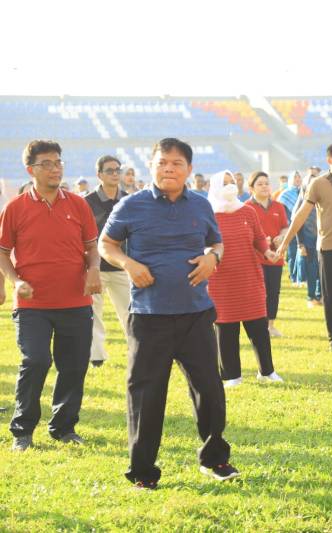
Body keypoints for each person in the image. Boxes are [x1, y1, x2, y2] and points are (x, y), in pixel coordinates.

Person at [99, 138, 238, 489]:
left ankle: (215, 459)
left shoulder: (201, 205)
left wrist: (213, 257)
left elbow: (217, 242)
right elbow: (106, 244)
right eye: (162, 162)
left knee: (210, 389)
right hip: (149, 316)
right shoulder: (132, 205)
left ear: (189, 169)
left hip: (196, 314)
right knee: (146, 395)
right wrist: (128, 264)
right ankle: (143, 471)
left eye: (177, 163)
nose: (169, 169)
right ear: (151, 166)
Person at [0, 139, 101, 452]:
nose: (55, 169)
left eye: (58, 162)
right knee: (36, 360)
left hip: (76, 301)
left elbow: (92, 247)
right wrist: (15, 280)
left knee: (73, 366)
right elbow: (2, 252)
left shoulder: (78, 205)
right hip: (32, 305)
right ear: (30, 169)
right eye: (47, 164)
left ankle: (64, 428)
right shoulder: (15, 208)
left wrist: (94, 269)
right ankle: (22, 431)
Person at [275, 143, 332, 350]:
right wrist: (286, 242)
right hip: (328, 248)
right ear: (330, 160)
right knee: (330, 297)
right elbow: (301, 215)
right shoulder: (318, 183)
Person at [206, 171, 282, 386]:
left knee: (258, 327)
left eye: (232, 182)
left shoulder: (248, 211)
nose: (230, 186)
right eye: (225, 183)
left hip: (249, 278)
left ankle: (267, 371)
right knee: (226, 329)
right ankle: (231, 375)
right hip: (221, 281)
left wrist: (267, 252)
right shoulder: (208, 215)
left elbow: (259, 238)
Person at [84, 155, 131, 367]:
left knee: (130, 312)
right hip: (95, 267)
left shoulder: (128, 200)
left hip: (122, 264)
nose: (114, 174)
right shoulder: (87, 202)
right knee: (93, 313)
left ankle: (137, 350)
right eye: (109, 170)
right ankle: (96, 356)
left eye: (117, 170)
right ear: (99, 174)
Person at [248, 171, 289, 337]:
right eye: (260, 184)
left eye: (266, 183)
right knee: (258, 293)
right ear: (251, 188)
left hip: (275, 258)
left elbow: (285, 227)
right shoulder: (246, 207)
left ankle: (270, 325)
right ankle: (258, 326)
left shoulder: (278, 206)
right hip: (255, 258)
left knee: (273, 292)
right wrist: (259, 240)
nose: (264, 187)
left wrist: (282, 236)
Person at [294, 169, 322, 307]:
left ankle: (320, 295)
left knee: (322, 269)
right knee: (312, 269)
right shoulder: (301, 201)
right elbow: (296, 223)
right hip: (308, 240)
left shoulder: (323, 199)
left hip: (322, 239)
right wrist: (300, 244)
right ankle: (311, 297)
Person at [278, 170, 304, 286]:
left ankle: (301, 277)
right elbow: (281, 212)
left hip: (304, 227)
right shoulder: (285, 194)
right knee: (292, 253)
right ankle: (293, 277)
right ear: (291, 180)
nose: (297, 179)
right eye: (295, 177)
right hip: (291, 227)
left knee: (303, 252)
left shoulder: (304, 192)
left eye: (299, 177)